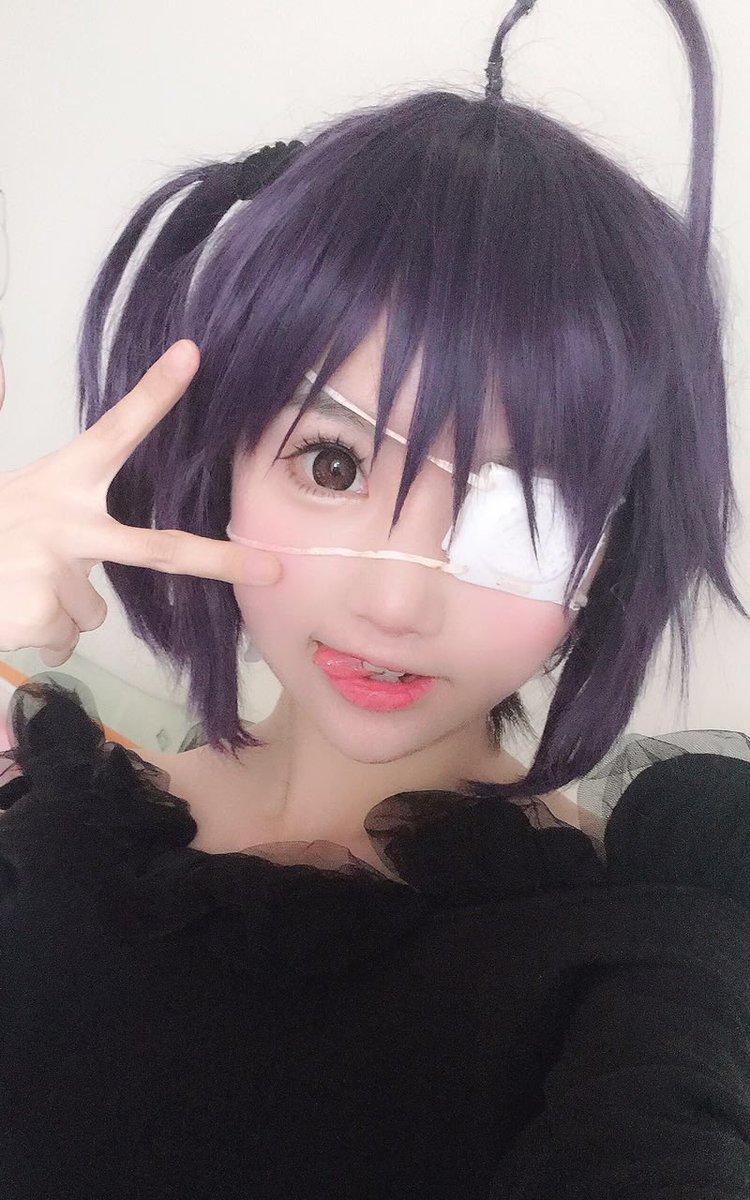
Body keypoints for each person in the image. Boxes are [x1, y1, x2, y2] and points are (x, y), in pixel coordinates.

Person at [1, 0, 750, 1195]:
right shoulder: (45, 838)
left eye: (526, 514)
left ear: (616, 550)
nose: (397, 609)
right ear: (222, 461)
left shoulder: (638, 961)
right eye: (334, 465)